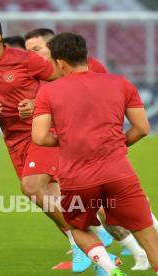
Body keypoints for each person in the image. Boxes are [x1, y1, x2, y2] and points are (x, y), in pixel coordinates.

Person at [0, 13, 96, 272]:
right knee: (54, 198)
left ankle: (84, 241)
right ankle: (96, 252)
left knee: (32, 188)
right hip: (12, 139)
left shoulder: (25, 60)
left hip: (42, 132)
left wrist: (37, 104)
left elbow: (64, 80)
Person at [25, 27, 153, 271]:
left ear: (58, 58)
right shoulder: (119, 82)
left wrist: (76, 141)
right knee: (143, 230)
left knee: (79, 223)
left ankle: (114, 264)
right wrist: (114, 144)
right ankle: (138, 254)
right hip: (111, 165)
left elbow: (40, 137)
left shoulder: (55, 88)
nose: (39, 59)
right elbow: (142, 128)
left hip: (81, 169)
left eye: (41, 52)